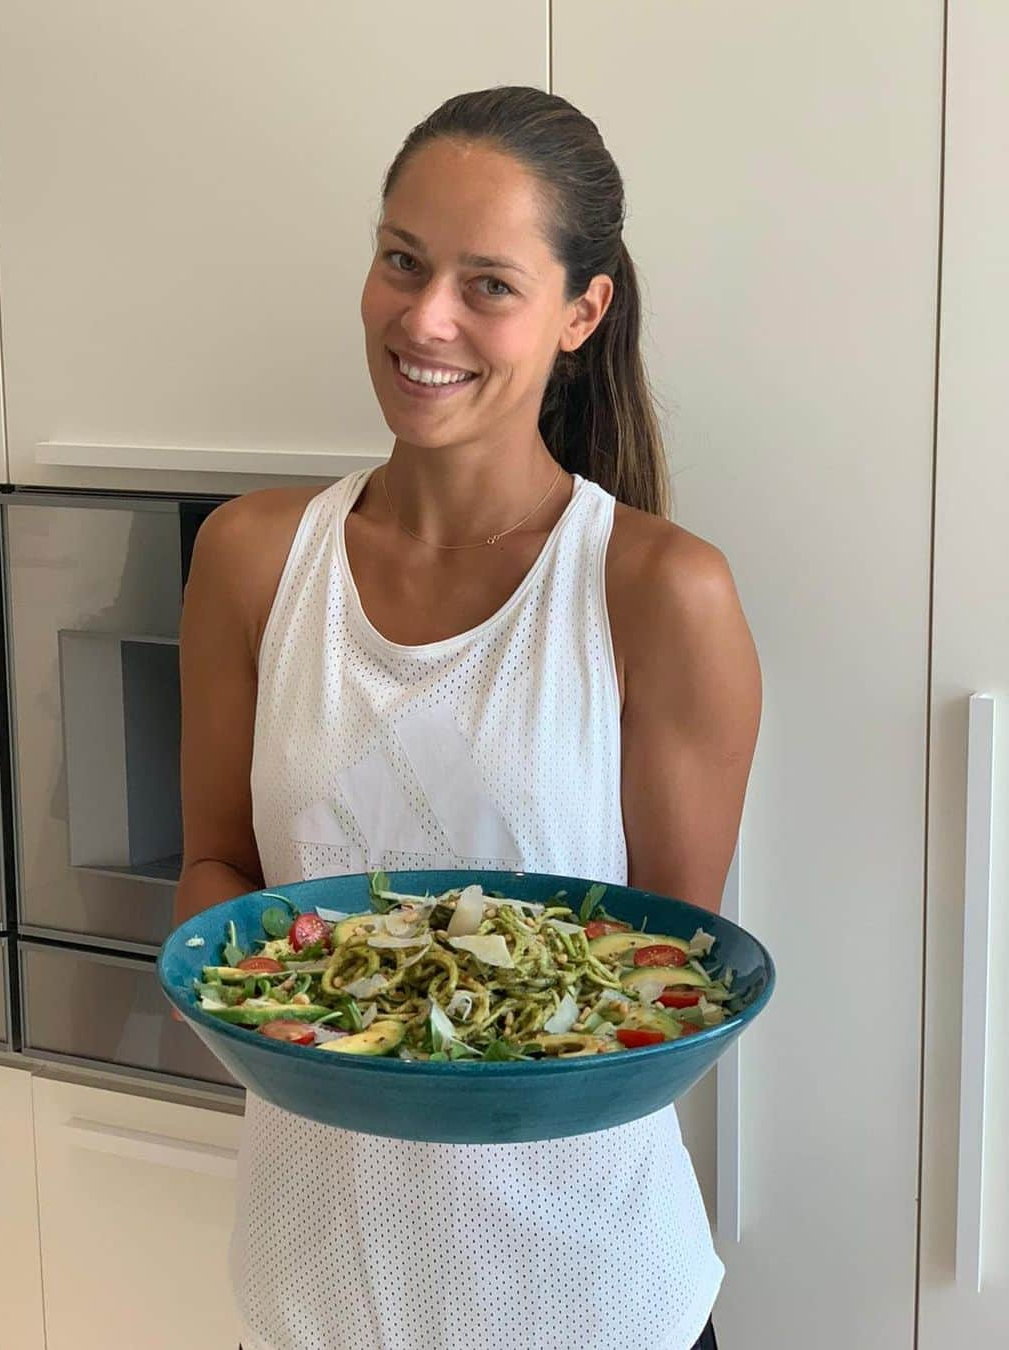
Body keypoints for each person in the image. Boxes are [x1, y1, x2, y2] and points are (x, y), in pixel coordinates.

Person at [176, 85, 761, 1350]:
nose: (423, 318)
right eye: (401, 261)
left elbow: (668, 968)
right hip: (307, 1293)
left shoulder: (661, 591)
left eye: (488, 283)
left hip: (591, 1301)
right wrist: (244, 1008)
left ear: (581, 312)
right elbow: (219, 865)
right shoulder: (249, 557)